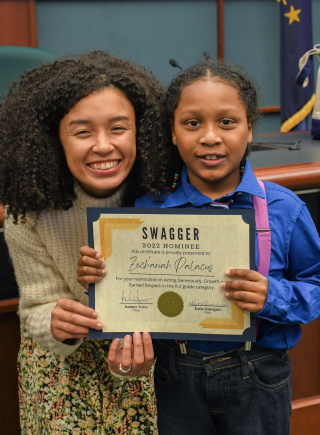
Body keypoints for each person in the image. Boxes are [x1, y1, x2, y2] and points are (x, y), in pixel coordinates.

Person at [78, 59, 320, 435]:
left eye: (227, 122)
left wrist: (273, 295)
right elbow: (129, 301)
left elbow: (315, 286)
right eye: (192, 123)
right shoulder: (145, 211)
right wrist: (99, 280)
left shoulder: (284, 209)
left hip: (258, 373)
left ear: (250, 130)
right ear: (173, 134)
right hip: (177, 377)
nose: (210, 137)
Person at [0, 50, 171, 435]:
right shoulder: (28, 211)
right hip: (61, 366)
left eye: (118, 128)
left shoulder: (163, 196)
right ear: (53, 139)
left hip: (145, 356)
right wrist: (57, 322)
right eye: (82, 132)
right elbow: (35, 311)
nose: (103, 145)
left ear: (142, 130)